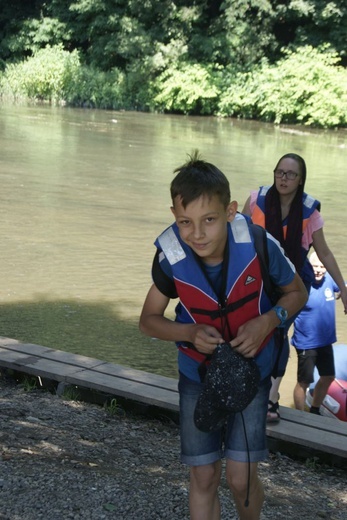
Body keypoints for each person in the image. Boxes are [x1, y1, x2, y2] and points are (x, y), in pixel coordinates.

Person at [139, 151, 308, 520]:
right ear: (174, 217)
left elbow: (298, 293)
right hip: (197, 375)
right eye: (185, 222)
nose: (197, 233)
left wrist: (268, 320)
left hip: (252, 371)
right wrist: (188, 331)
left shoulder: (260, 244)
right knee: (203, 475)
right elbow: (148, 320)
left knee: (239, 478)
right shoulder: (170, 255)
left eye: (209, 220)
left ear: (231, 212)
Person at [242, 153, 347, 422]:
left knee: (278, 332)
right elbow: (236, 235)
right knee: (251, 329)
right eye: (279, 172)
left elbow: (323, 252)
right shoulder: (256, 200)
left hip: (293, 283)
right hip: (257, 278)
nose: (283, 178)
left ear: (300, 180)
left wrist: (343, 287)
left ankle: (271, 399)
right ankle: (248, 388)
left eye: (290, 174)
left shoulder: (310, 213)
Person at [292, 251, 343, 414]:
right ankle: (299, 414)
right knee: (304, 382)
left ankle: (314, 409)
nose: (319, 270)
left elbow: (343, 286)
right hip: (306, 342)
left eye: (322, 266)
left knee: (329, 376)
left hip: (325, 341)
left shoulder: (329, 280)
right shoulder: (302, 285)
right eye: (315, 266)